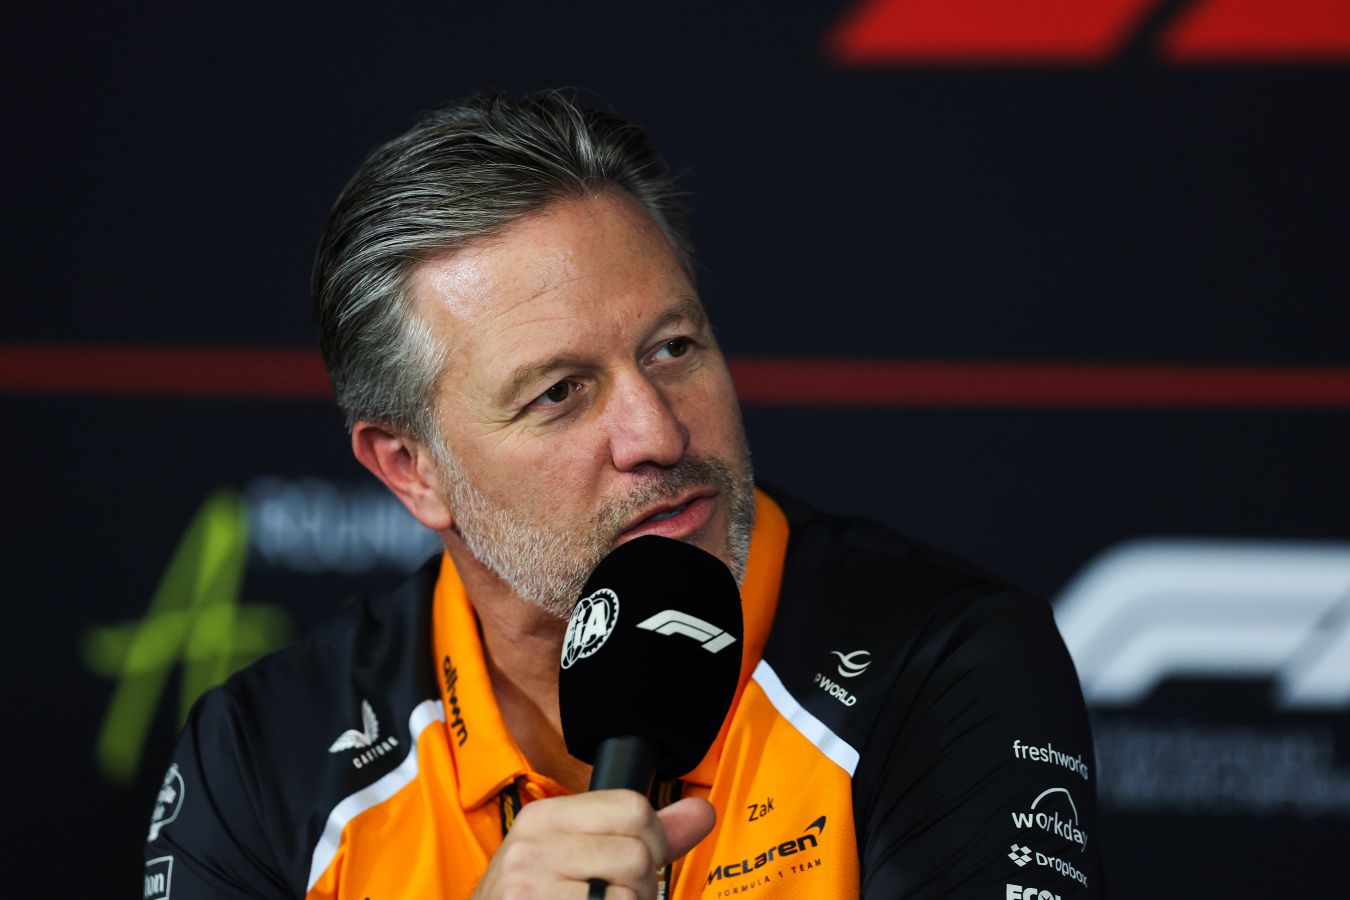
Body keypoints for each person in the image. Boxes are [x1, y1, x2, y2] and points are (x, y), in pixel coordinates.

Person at [143, 91, 1103, 899]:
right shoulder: (262, 757)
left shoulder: (945, 661)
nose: (659, 436)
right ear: (411, 468)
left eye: (672, 348)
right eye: (560, 393)